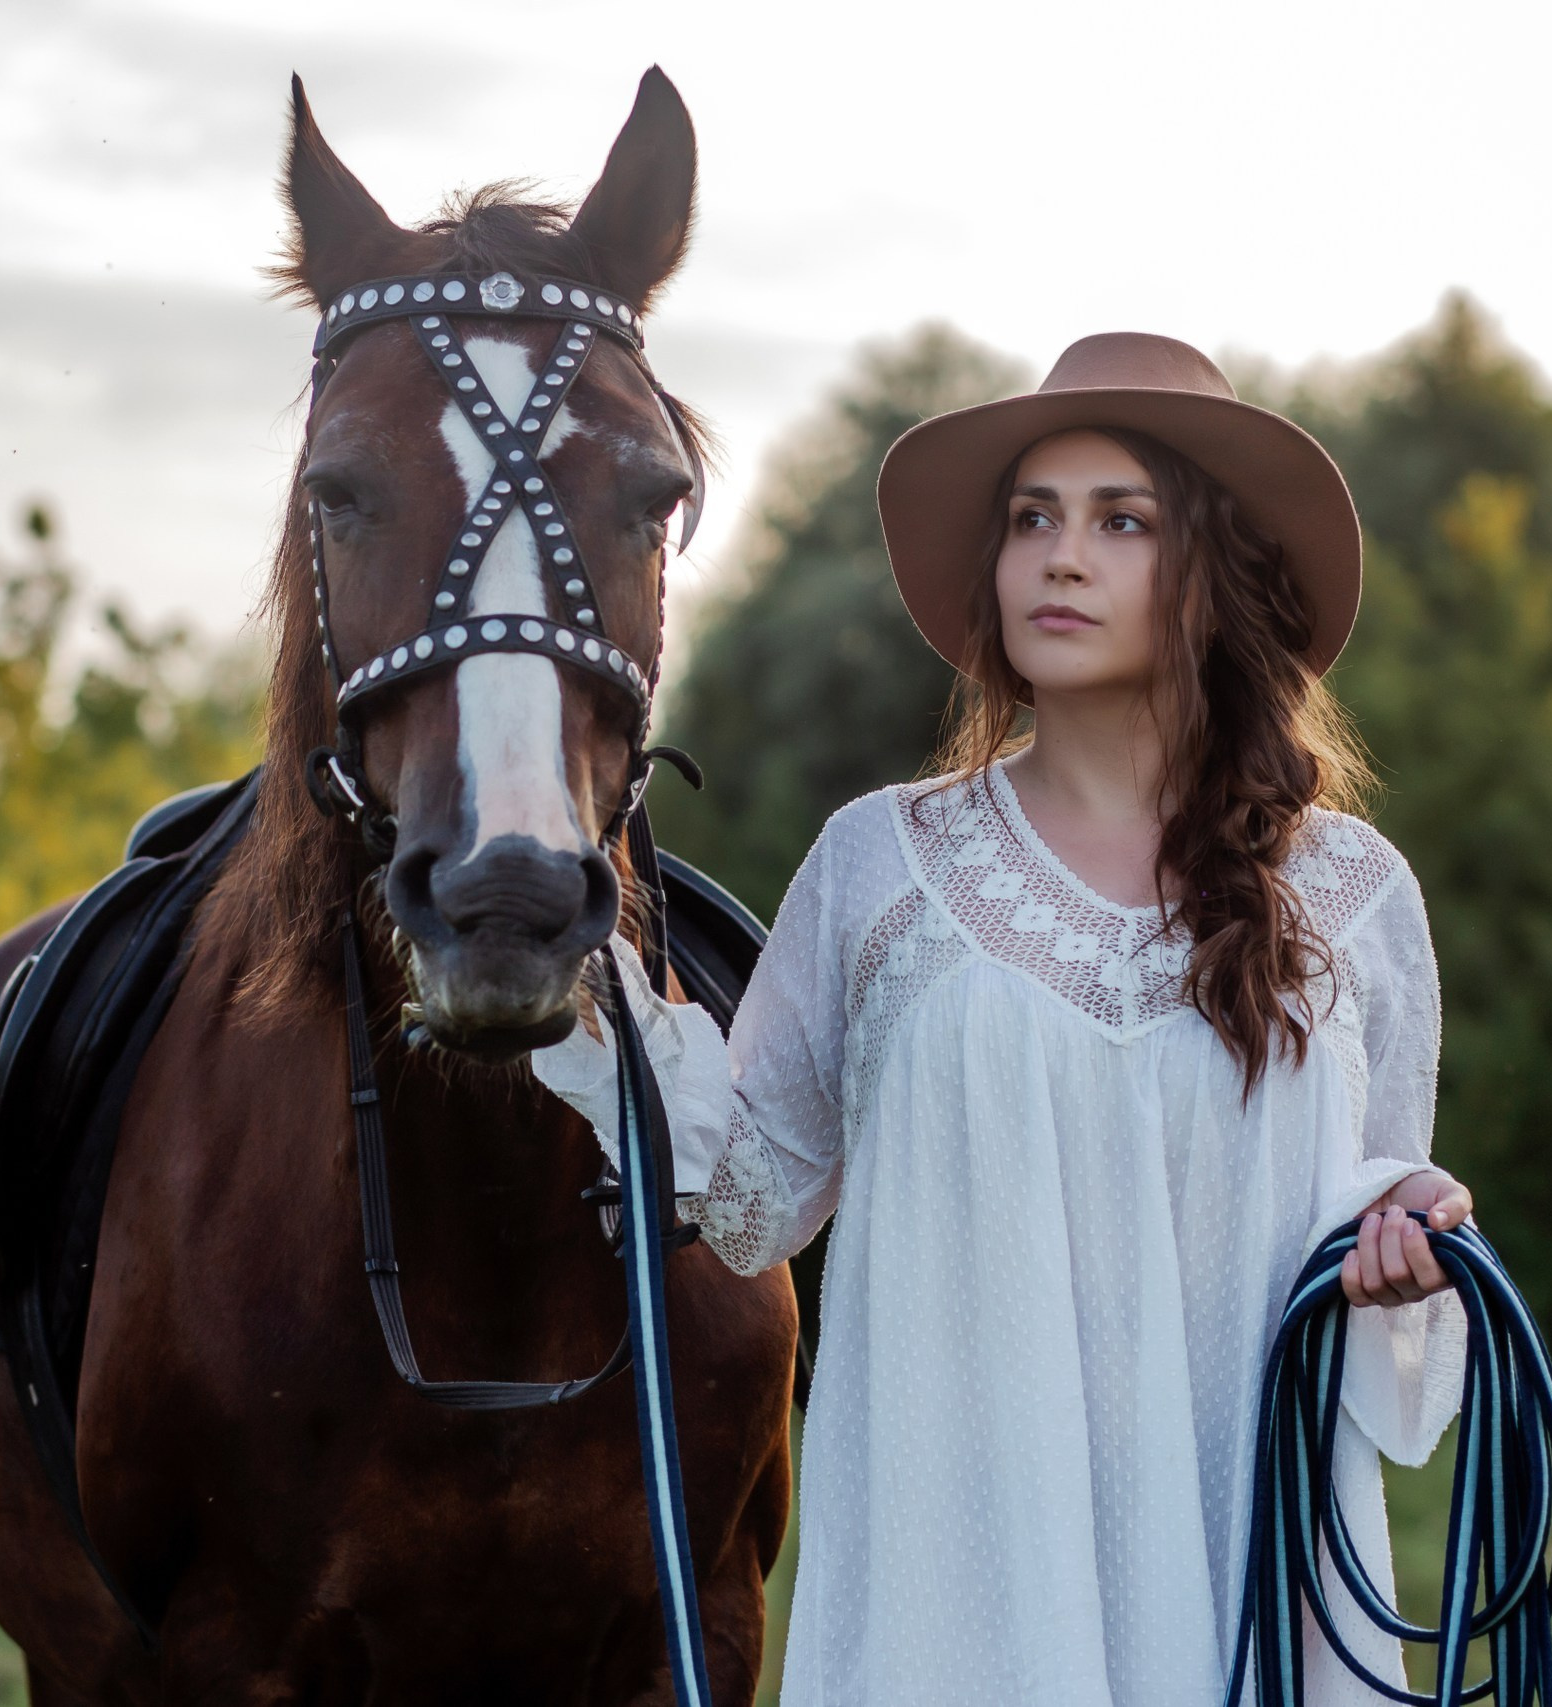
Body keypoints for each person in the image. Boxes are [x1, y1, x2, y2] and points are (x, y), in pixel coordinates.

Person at [535, 332, 1474, 1706]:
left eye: (1122, 521)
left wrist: (1406, 1233)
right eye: (1032, 517)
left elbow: (1364, 1231)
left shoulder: (1349, 896)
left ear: (1218, 575)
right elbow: (748, 1204)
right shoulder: (879, 865)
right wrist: (580, 972)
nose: (1061, 556)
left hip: (1243, 1570)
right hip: (961, 1593)